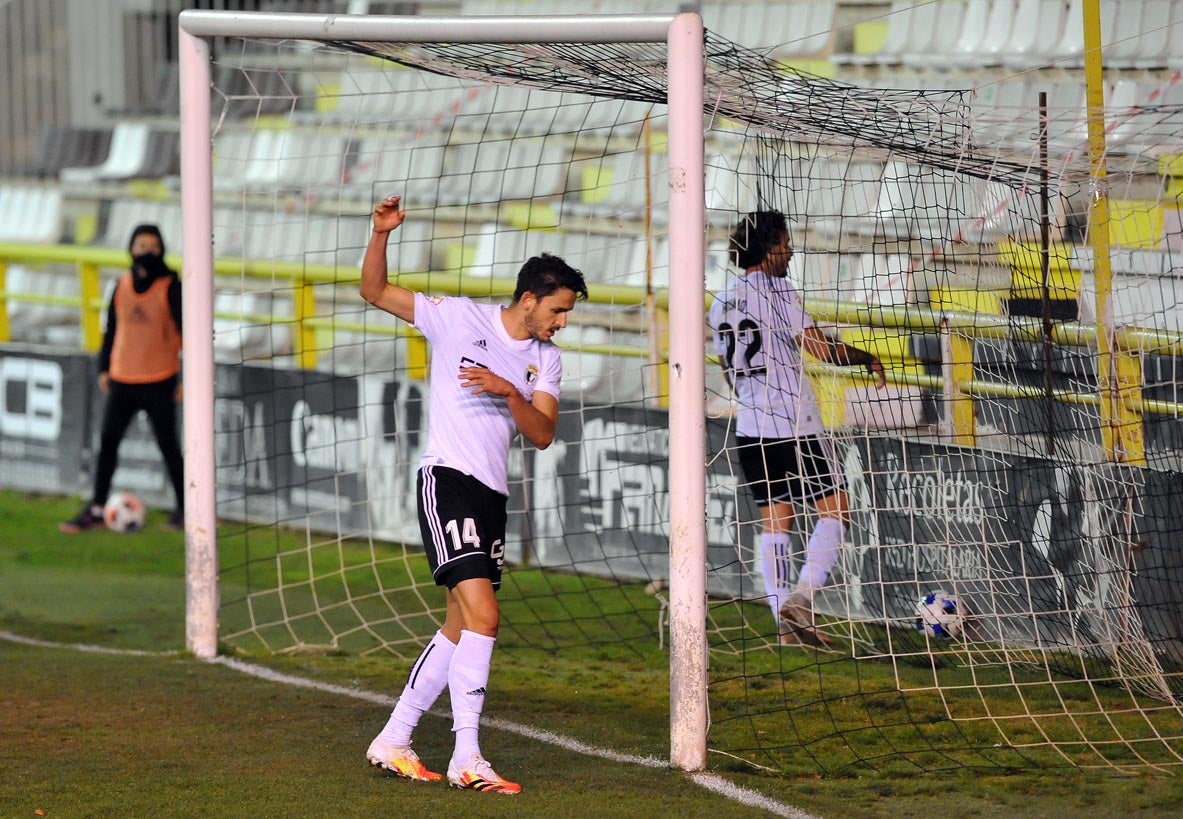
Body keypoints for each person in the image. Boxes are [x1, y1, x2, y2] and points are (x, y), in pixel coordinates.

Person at [360, 195, 587, 794]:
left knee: (461, 628)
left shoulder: (546, 362)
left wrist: (509, 390)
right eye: (559, 311)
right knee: (485, 615)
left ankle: (394, 738)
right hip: (448, 481)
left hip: (491, 495)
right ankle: (468, 755)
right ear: (531, 299)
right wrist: (380, 233)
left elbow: (541, 435)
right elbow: (376, 291)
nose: (562, 323)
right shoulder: (457, 317)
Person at [709, 210, 886, 646]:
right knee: (838, 510)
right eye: (785, 244)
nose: (791, 252)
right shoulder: (777, 290)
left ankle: (785, 623)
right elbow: (818, 347)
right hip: (794, 425)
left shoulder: (721, 301)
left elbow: (726, 368)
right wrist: (866, 357)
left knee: (775, 523)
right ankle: (803, 598)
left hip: (750, 427)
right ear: (769, 249)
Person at [60, 224, 185, 533]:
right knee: (108, 445)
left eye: (154, 246)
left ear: (162, 250)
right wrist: (104, 368)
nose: (147, 251)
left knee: (169, 447)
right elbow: (111, 329)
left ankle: (186, 510)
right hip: (123, 378)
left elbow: (187, 333)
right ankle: (97, 508)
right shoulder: (121, 285)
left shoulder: (171, 287)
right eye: (142, 245)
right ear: (131, 249)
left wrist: (186, 378)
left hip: (160, 379)